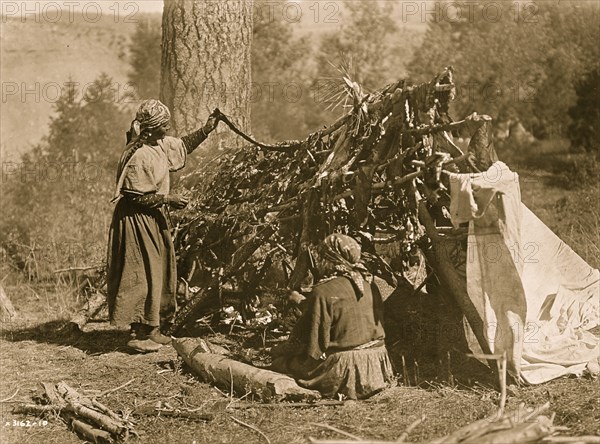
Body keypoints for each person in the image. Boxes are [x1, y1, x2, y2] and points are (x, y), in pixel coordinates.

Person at [107, 99, 219, 353]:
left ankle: (153, 329)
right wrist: (168, 199)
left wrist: (206, 129)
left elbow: (182, 146)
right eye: (163, 125)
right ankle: (137, 334)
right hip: (136, 219)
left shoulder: (157, 144)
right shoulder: (138, 155)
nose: (168, 129)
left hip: (152, 216)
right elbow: (134, 195)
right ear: (149, 129)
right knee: (140, 273)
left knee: (159, 270)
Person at [271, 233, 394, 399]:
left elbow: (313, 347)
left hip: (346, 367)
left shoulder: (322, 291)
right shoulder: (371, 285)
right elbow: (344, 309)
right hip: (377, 364)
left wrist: (278, 350)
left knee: (281, 363)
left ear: (328, 257)